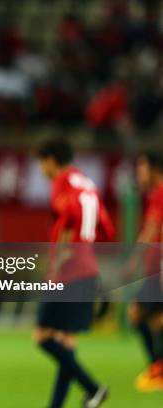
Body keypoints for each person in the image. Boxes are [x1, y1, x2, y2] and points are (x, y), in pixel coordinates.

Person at [35, 139, 114, 408]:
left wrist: (58, 261)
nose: (41, 168)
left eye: (41, 162)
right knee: (66, 342)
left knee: (43, 336)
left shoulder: (63, 183)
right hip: (87, 268)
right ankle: (61, 404)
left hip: (68, 270)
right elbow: (107, 229)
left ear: (50, 161)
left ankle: (94, 387)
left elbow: (67, 219)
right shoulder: (87, 184)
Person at [127, 152, 163, 391]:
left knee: (140, 314)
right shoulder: (155, 195)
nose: (139, 174)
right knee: (148, 318)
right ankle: (157, 368)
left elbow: (152, 229)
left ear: (154, 169)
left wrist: (134, 260)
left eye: (142, 168)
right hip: (154, 268)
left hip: (158, 269)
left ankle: (157, 369)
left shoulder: (160, 194)